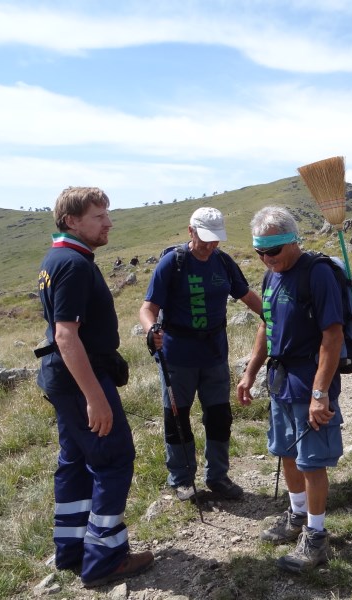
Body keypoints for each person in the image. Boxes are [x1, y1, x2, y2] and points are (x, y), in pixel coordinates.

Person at [36, 187, 153, 588]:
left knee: (73, 461)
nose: (108, 222)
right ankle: (105, 558)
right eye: (99, 215)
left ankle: (70, 550)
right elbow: (67, 335)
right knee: (114, 458)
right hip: (78, 379)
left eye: (107, 214)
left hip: (61, 377)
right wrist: (95, 397)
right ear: (72, 221)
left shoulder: (58, 258)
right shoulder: (73, 264)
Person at [236, 206, 344, 573]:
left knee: (312, 461)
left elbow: (332, 334)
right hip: (280, 381)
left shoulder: (317, 274)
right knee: (285, 450)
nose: (267, 260)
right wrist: (250, 372)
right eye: (260, 253)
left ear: (293, 241)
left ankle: (316, 537)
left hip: (308, 381)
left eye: (274, 251)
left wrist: (320, 393)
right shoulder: (271, 277)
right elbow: (267, 326)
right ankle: (297, 516)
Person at [139, 207, 262, 501]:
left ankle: (218, 477)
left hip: (215, 354)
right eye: (205, 238)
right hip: (177, 356)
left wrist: (272, 316)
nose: (210, 246)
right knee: (177, 418)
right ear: (190, 231)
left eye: (215, 239)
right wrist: (151, 328)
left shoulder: (222, 262)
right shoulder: (173, 263)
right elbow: (148, 308)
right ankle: (181, 479)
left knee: (219, 416)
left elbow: (246, 295)